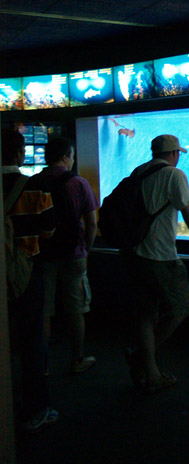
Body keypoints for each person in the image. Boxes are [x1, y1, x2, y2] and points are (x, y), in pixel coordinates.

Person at [123, 134, 189, 394]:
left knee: (146, 314)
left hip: (135, 255)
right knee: (182, 305)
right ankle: (140, 358)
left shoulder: (139, 171)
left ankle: (152, 372)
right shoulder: (174, 175)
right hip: (161, 256)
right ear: (174, 153)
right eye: (178, 152)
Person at [2, 128, 57, 432]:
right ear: (20, 153)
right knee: (31, 340)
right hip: (27, 272)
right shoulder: (35, 187)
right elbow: (48, 231)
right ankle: (36, 408)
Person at [32, 136, 99, 374]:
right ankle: (77, 358)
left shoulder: (32, 182)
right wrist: (86, 249)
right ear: (65, 156)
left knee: (44, 310)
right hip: (74, 254)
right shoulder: (79, 183)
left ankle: (43, 365)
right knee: (76, 308)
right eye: (71, 156)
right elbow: (91, 223)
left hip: (42, 255)